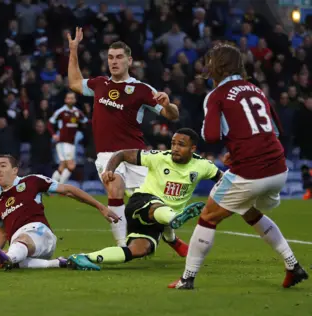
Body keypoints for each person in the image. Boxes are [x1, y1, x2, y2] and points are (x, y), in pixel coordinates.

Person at [170, 44, 308, 290]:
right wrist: (238, 150)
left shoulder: (217, 95)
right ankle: (293, 266)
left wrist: (235, 149)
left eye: (211, 60)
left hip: (251, 170)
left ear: (219, 65)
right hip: (279, 167)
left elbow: (210, 135)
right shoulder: (255, 89)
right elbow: (274, 130)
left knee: (208, 217)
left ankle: (187, 279)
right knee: (249, 211)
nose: (207, 65)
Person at [67, 27, 180, 249]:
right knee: (115, 187)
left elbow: (172, 115)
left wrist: (169, 104)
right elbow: (74, 83)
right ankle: (122, 247)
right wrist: (73, 50)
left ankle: (171, 237)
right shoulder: (99, 84)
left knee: (152, 203)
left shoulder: (141, 89)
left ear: (129, 60)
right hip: (108, 155)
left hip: (136, 156)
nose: (114, 62)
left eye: (119, 57)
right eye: (110, 57)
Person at [66, 129, 221, 270]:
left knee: (139, 250)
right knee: (157, 206)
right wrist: (109, 170)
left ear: (192, 148)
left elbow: (224, 181)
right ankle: (174, 221)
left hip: (157, 222)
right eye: (173, 143)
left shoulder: (204, 166)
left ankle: (84, 258)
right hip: (141, 203)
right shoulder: (158, 157)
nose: (174, 148)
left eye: (181, 145)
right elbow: (122, 154)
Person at [0, 155, 120, 270]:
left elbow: (69, 190)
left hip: (39, 233)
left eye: (3, 165)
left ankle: (10, 257)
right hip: (22, 247)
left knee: (21, 240)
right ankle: (60, 263)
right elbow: (1, 230)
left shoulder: (32, 181)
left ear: (15, 170)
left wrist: (100, 207)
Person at [49, 92, 87, 184]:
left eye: (72, 98)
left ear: (75, 100)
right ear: (65, 100)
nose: (70, 100)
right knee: (71, 166)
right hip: (62, 142)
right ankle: (60, 186)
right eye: (68, 98)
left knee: (62, 166)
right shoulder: (61, 111)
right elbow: (50, 123)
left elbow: (85, 121)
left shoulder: (77, 112)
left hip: (72, 143)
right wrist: (54, 134)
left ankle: (51, 187)